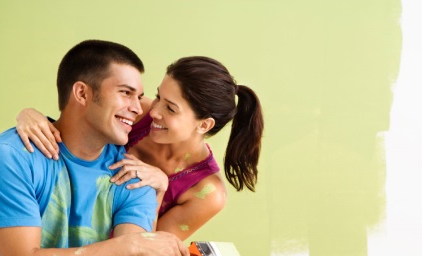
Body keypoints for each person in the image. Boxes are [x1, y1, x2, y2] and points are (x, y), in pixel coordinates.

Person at [0, 40, 207, 256]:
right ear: (82, 93)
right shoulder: (10, 156)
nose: (140, 108)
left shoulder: (133, 175)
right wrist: (133, 244)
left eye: (139, 96)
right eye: (126, 93)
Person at [16, 56, 264, 241]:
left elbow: (144, 252)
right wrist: (30, 115)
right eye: (158, 97)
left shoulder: (207, 193)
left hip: (77, 249)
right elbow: (77, 120)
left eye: (171, 108)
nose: (153, 110)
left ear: (204, 124)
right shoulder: (141, 113)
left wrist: (159, 189)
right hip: (36, 214)